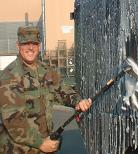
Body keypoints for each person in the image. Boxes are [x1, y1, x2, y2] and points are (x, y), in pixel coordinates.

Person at [0, 26, 92, 154]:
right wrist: (41, 143)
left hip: (46, 146)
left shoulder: (45, 70)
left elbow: (62, 90)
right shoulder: (10, 76)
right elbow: (13, 120)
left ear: (39, 46)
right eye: (26, 43)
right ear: (18, 45)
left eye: (34, 43)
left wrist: (77, 101)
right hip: (18, 149)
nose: (30, 48)